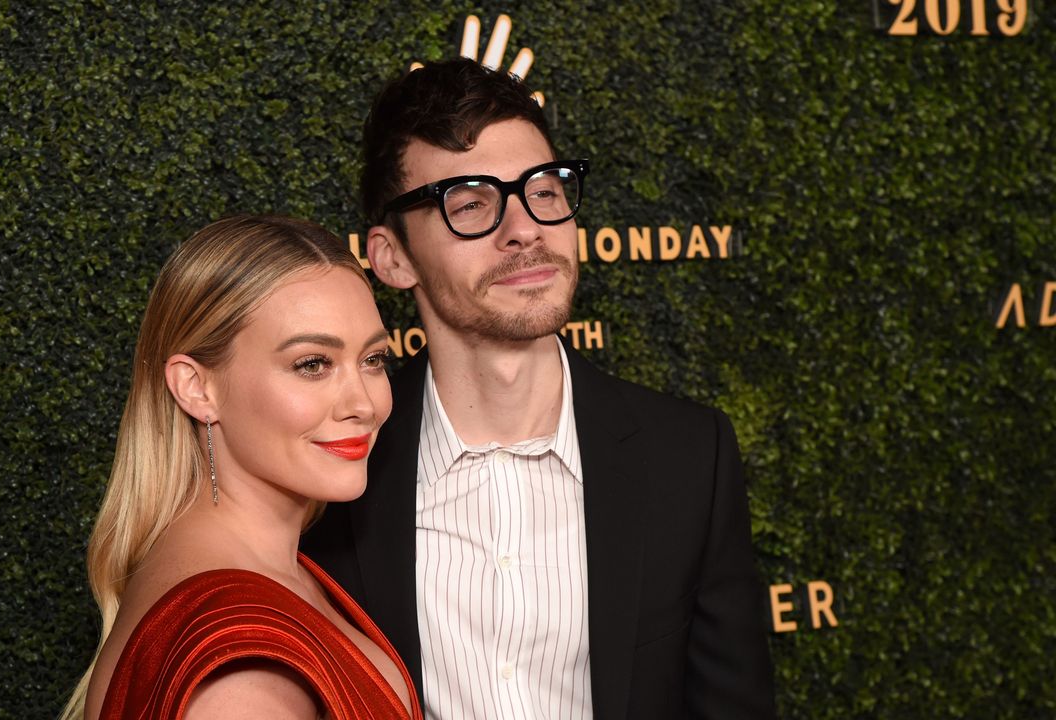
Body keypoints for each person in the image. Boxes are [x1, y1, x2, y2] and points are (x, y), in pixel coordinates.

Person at [301, 59, 776, 719]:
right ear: (392, 257)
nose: (524, 228)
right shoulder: (335, 472)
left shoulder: (689, 457)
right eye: (471, 203)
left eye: (544, 191)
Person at [62, 215, 422, 720]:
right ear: (196, 387)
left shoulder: (257, 569)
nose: (363, 403)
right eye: (312, 364)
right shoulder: (241, 675)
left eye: (373, 359)